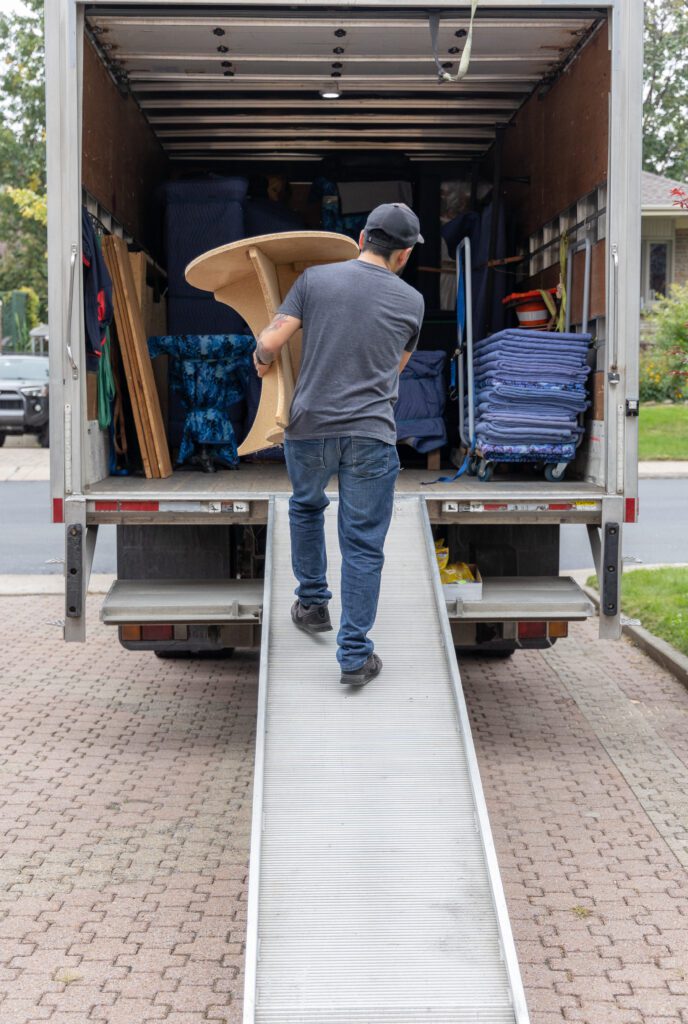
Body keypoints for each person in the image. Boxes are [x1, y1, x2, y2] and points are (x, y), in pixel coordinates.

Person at [252, 203, 425, 687]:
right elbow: (395, 369)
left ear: (362, 235)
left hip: (310, 428)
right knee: (364, 545)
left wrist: (261, 357)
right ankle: (353, 656)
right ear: (405, 254)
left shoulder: (315, 280)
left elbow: (274, 339)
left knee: (307, 509)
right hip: (370, 433)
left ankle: (312, 604)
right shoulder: (412, 302)